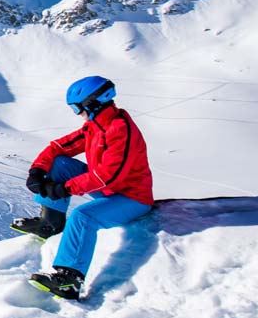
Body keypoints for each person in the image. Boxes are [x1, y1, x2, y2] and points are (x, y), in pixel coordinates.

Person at [11, 76, 153, 300]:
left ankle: (70, 280)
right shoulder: (96, 126)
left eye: (77, 108)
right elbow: (59, 147)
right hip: (109, 190)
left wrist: (65, 188)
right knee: (60, 163)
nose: (77, 113)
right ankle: (50, 223)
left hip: (132, 198)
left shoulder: (120, 130)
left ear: (94, 103)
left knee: (83, 216)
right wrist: (37, 170)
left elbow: (108, 176)